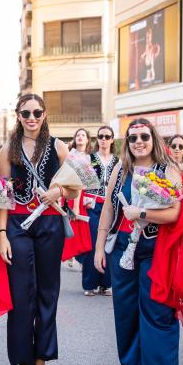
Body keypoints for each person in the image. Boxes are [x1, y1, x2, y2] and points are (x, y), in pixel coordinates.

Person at [93, 118, 183, 365]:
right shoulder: (121, 170)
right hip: (123, 247)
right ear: (127, 143)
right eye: (132, 138)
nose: (138, 142)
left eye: (144, 136)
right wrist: (99, 248)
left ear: (153, 138)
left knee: (159, 310)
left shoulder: (169, 169)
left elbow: (173, 214)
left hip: (157, 247)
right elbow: (109, 207)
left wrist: (142, 215)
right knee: (127, 311)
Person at [0, 93, 73, 365]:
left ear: (44, 115)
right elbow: (2, 196)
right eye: (26, 112)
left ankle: (41, 361)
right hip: (16, 225)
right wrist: (2, 234)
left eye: (37, 112)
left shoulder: (59, 147)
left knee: (47, 292)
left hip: (49, 223)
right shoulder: (7, 149)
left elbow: (77, 188)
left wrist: (59, 193)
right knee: (20, 295)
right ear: (17, 115)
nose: (31, 117)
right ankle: (23, 363)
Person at [81, 125, 117, 296]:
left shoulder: (118, 161)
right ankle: (90, 283)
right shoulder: (89, 158)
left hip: (111, 206)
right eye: (101, 136)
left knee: (109, 242)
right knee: (94, 241)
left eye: (107, 136)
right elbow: (80, 181)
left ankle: (106, 283)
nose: (103, 139)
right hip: (93, 204)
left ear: (112, 139)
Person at [66, 128, 91, 270]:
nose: (80, 137)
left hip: (85, 196)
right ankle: (71, 254)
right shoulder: (71, 155)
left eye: (83, 135)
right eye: (78, 135)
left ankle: (77, 256)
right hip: (74, 194)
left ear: (88, 139)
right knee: (73, 225)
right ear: (75, 139)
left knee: (82, 229)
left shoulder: (90, 157)